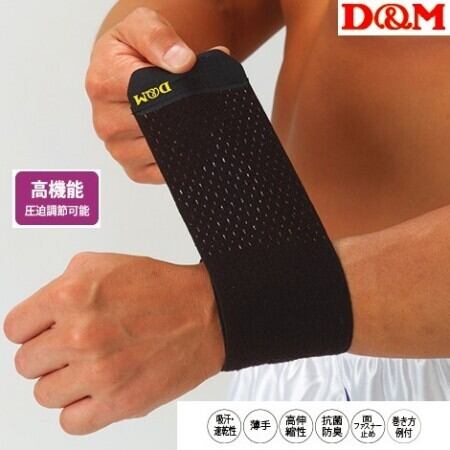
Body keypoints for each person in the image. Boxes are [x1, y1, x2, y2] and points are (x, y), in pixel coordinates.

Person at [3, 0, 449, 436]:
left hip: (357, 330)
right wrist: (138, 60)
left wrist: (227, 308)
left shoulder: (234, 312)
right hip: (287, 345)